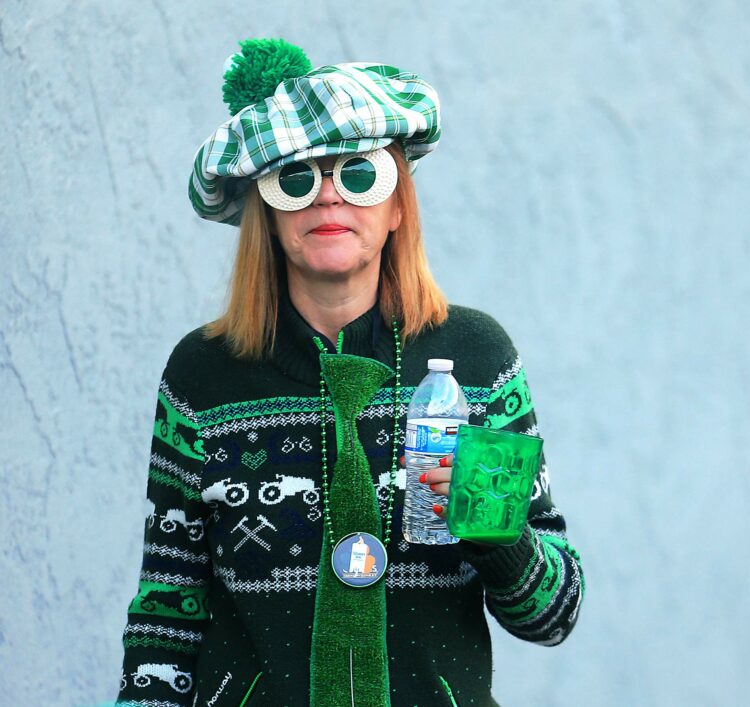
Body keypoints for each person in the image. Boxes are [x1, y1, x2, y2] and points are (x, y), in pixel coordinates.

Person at [116, 39, 584, 707]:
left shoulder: (477, 360)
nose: (329, 197)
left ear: (398, 208)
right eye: (296, 179)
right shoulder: (203, 375)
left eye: (360, 174)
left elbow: (553, 615)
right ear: (267, 214)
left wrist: (492, 525)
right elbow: (168, 608)